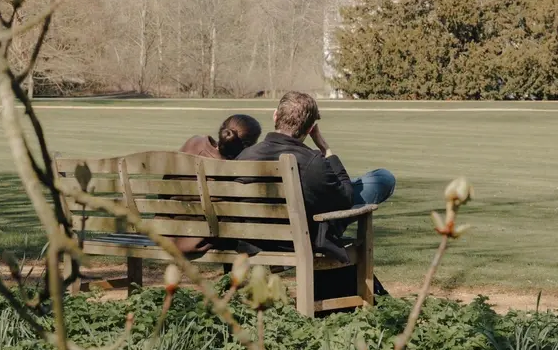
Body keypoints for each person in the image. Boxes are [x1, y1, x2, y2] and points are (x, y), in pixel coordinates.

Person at [236, 91, 396, 264]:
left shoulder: (245, 155)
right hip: (302, 236)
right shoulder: (312, 161)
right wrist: (325, 149)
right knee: (382, 178)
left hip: (256, 239)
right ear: (311, 128)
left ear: (275, 116)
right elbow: (347, 199)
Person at [164, 114, 262, 255]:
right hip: (197, 239)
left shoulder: (193, 143)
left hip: (167, 233)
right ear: (249, 145)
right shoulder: (234, 169)